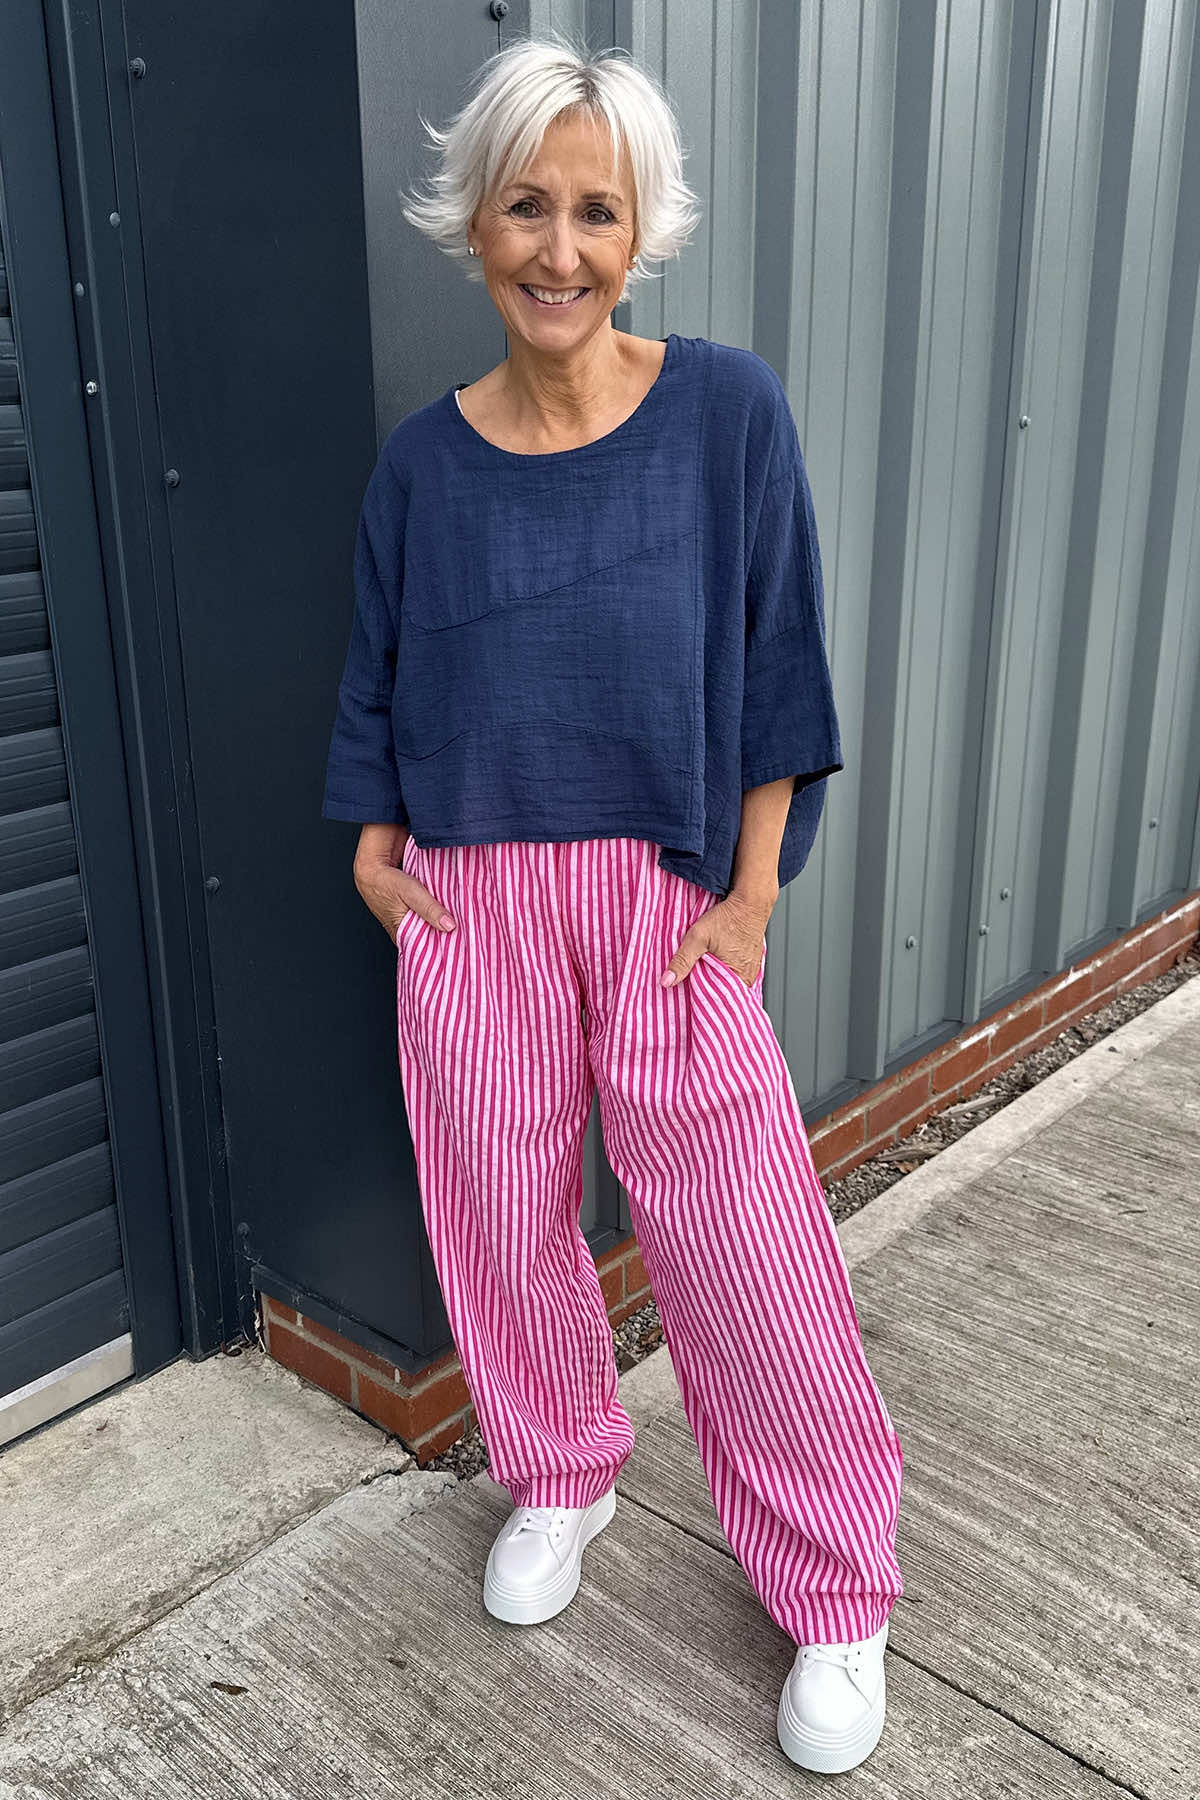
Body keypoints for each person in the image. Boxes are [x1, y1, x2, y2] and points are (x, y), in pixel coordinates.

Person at [322, 32, 904, 1778]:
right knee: (499, 1217)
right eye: (526, 207)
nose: (558, 248)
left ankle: (837, 1578)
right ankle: (561, 1471)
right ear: (475, 224)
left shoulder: (726, 414)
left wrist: (752, 901)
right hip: (471, 893)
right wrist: (373, 848)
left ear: (642, 229)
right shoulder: (424, 468)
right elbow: (381, 671)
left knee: (742, 1240)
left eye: (595, 210)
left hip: (664, 898)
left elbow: (781, 664)